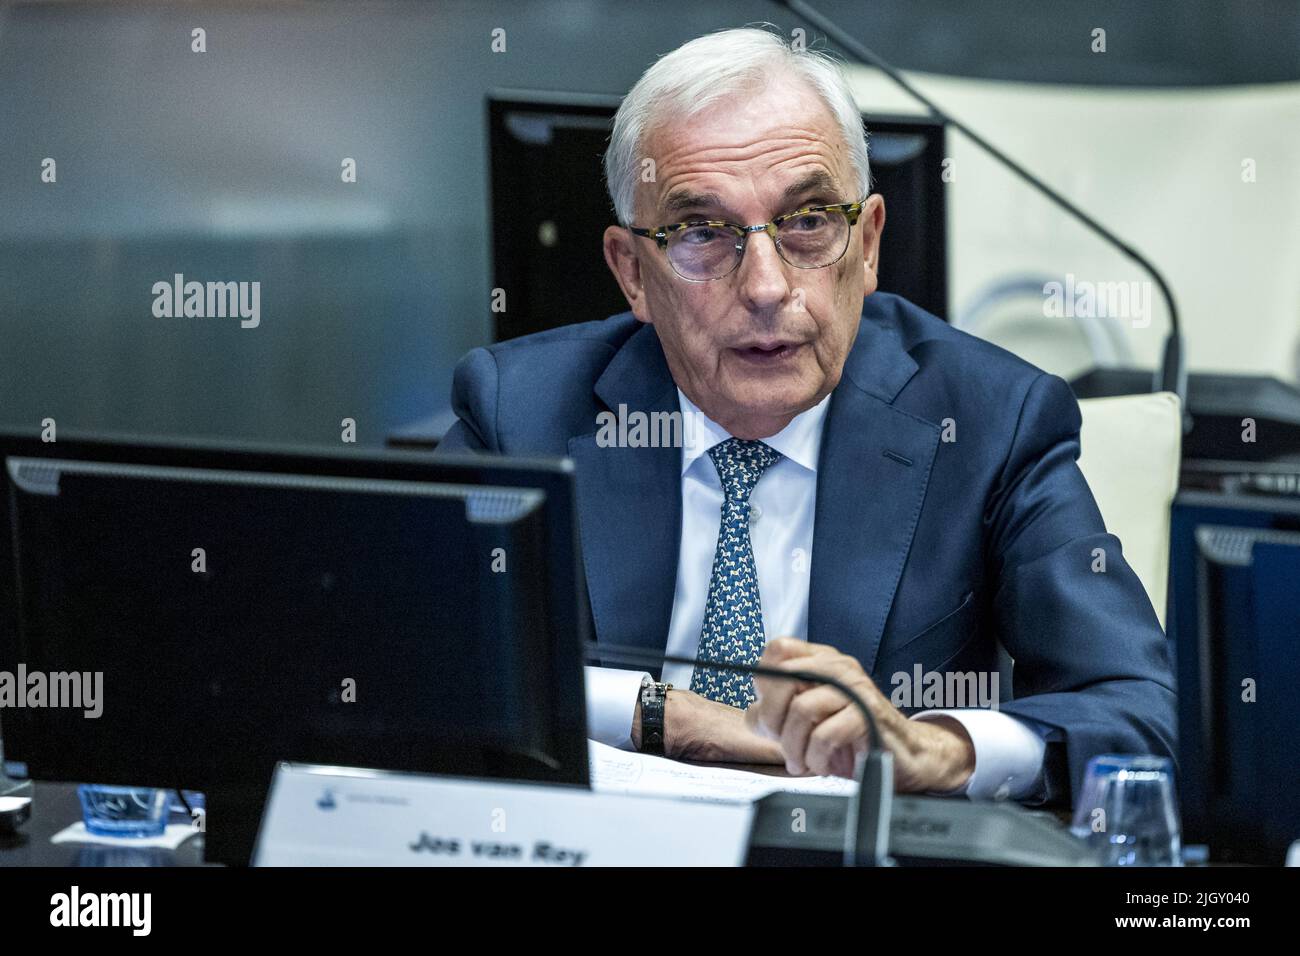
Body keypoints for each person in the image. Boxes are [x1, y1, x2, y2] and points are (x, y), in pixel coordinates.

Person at [438, 27, 1175, 806]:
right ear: (633, 273)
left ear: (867, 244)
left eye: (808, 222)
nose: (764, 287)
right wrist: (662, 715)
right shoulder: (517, 411)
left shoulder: (993, 421)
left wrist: (929, 748)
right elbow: (411, 665)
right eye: (700, 233)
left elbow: (1140, 713)